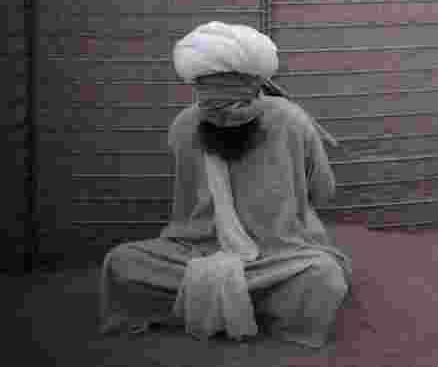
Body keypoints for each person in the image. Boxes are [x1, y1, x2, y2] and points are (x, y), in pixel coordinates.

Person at [99, 22, 353, 347]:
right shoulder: (189, 126)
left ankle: (214, 301)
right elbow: (323, 192)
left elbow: (320, 190)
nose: (225, 117)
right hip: (197, 251)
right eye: (216, 109)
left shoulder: (287, 121)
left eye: (234, 107)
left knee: (322, 276)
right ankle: (259, 305)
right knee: (121, 263)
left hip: (278, 256)